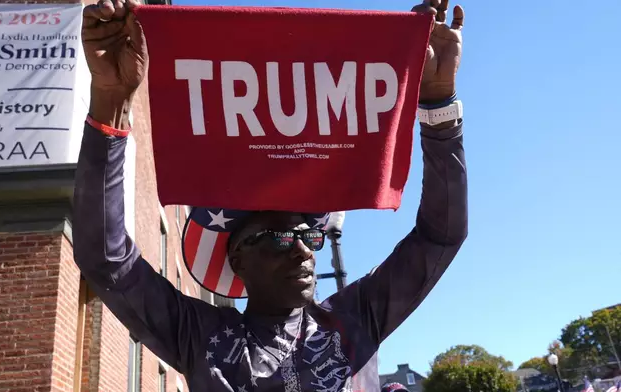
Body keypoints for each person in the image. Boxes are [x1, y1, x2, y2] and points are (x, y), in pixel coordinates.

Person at [73, 0, 468, 390]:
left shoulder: (356, 319)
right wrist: (111, 103)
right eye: (280, 238)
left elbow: (440, 236)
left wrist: (438, 106)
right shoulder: (200, 336)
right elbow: (106, 259)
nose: (304, 251)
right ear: (237, 258)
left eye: (310, 236)